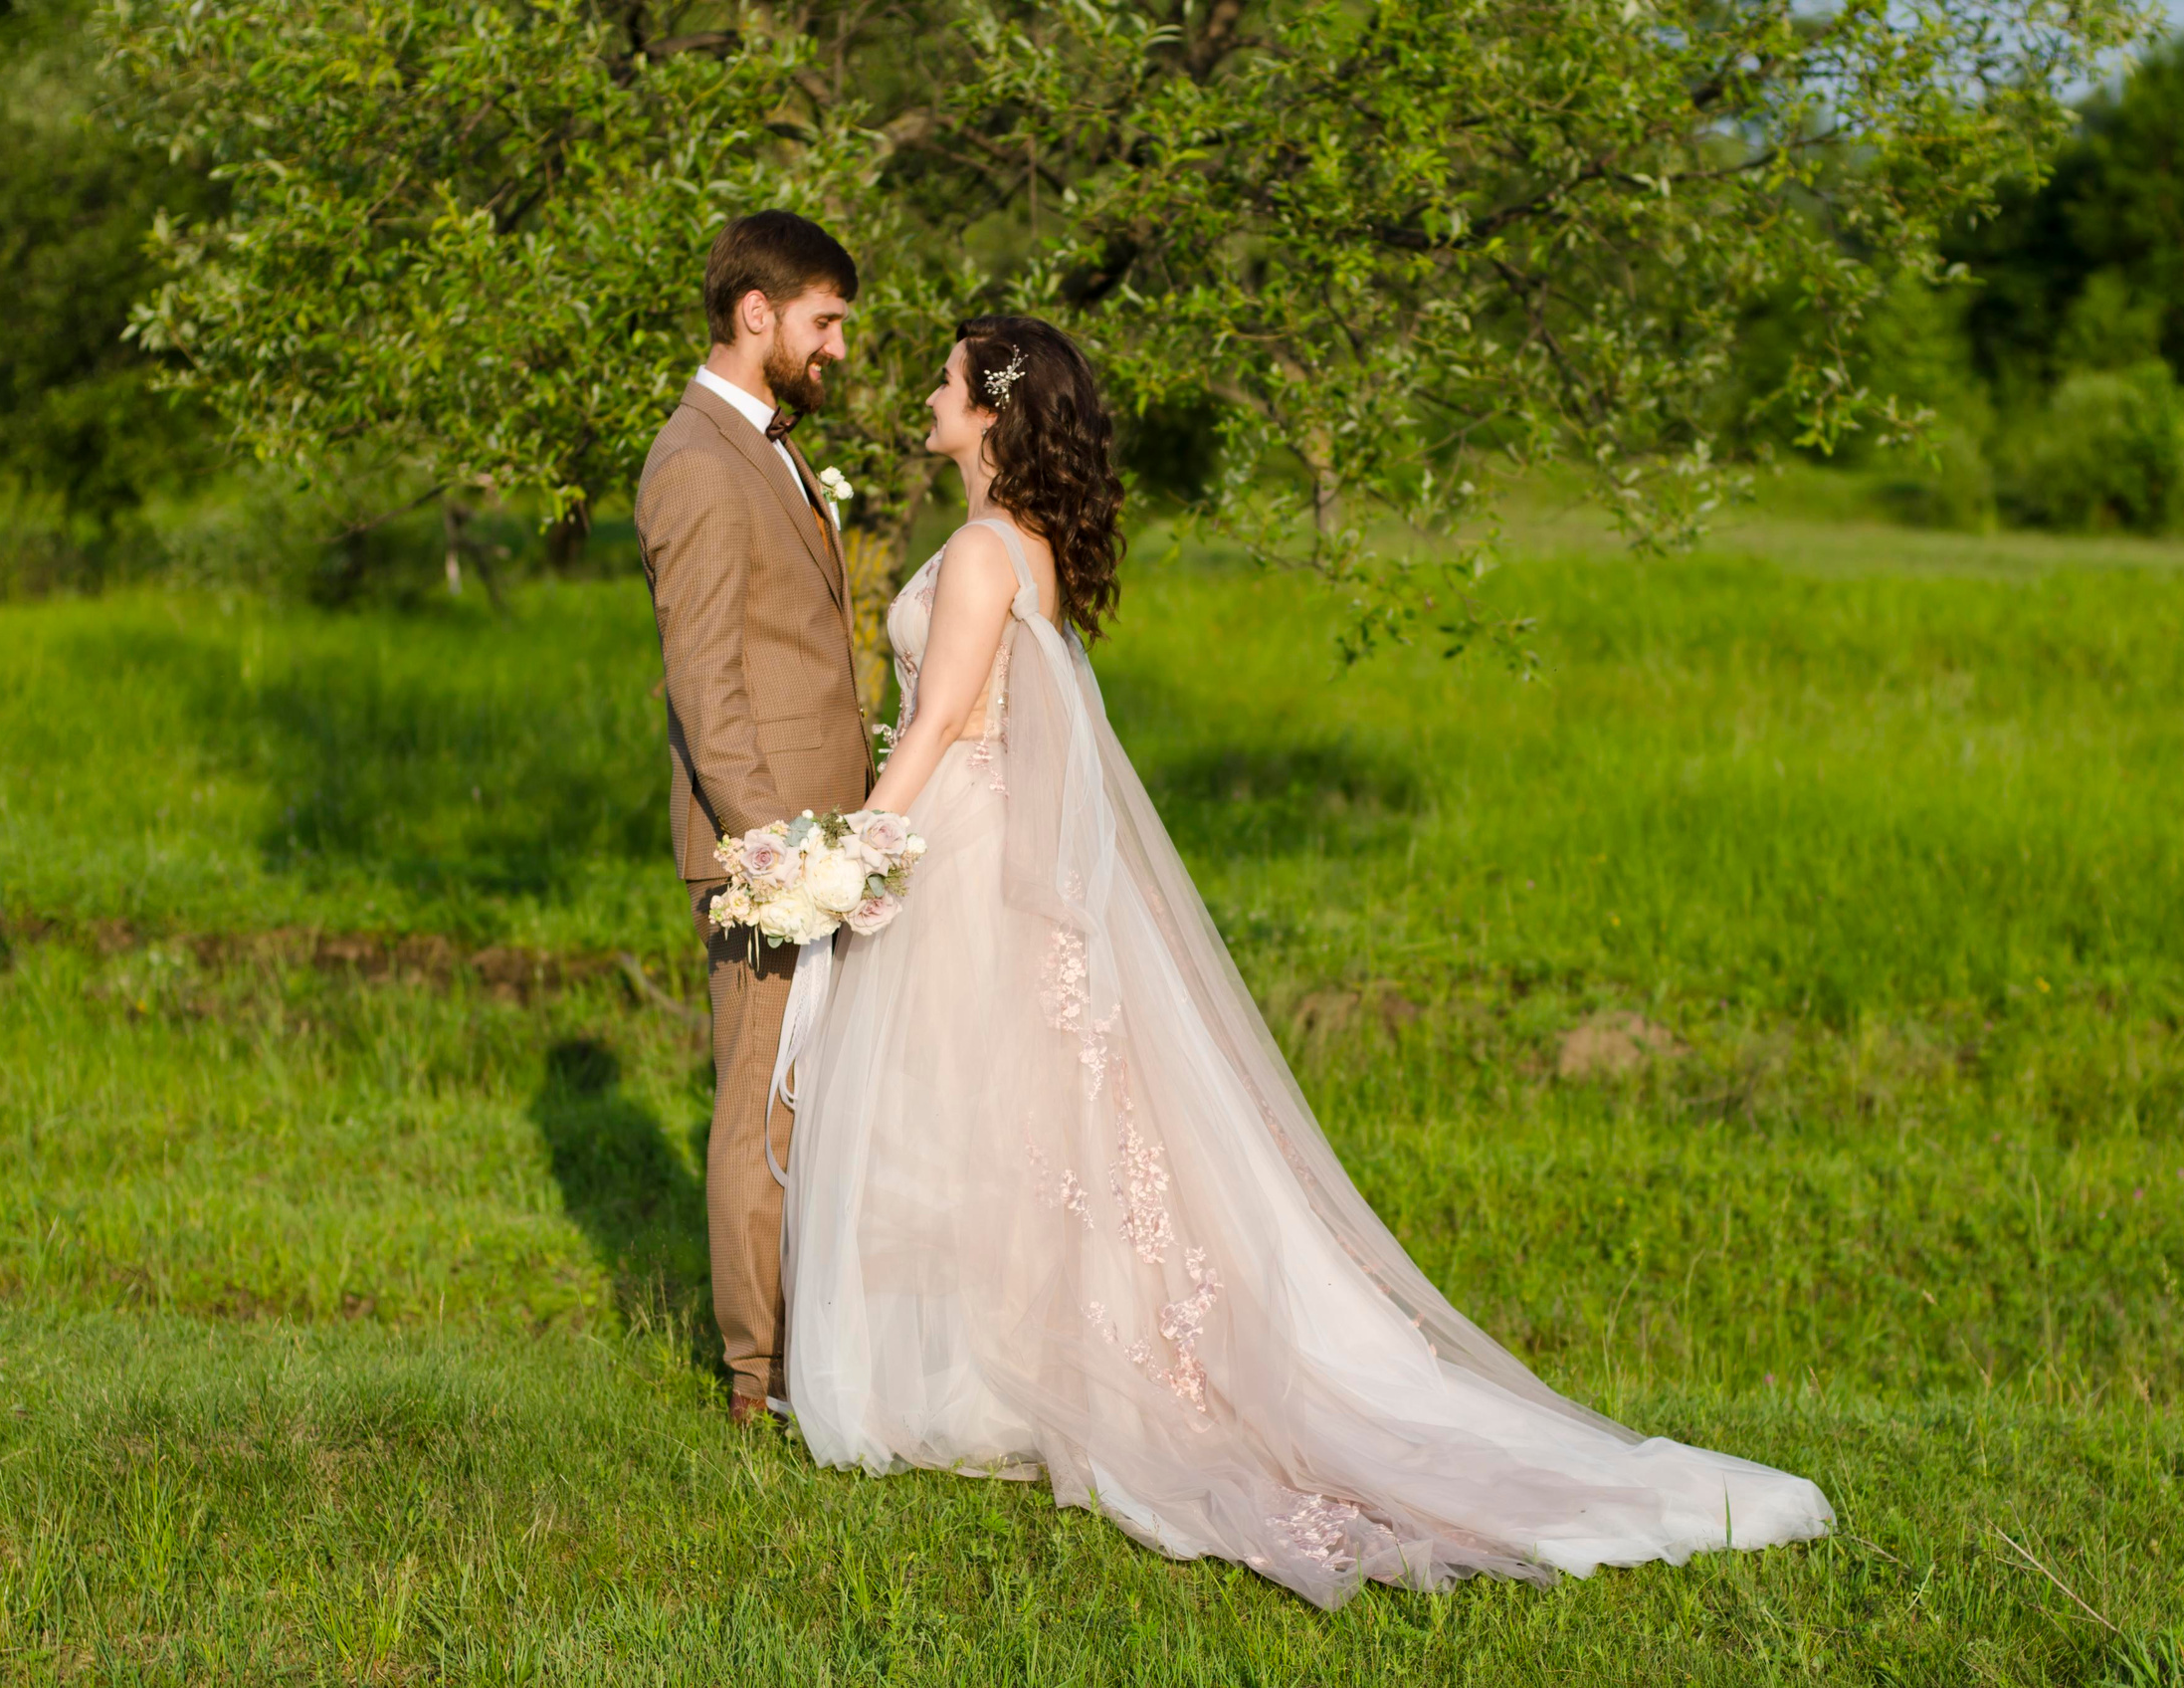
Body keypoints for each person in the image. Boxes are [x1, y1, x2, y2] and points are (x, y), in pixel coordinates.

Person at [775, 312, 1836, 1607]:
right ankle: (977, 1366)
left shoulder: (989, 550)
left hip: (954, 842)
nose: (925, 394)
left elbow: (939, 718)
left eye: (945, 379)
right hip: (993, 847)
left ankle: (961, 1375)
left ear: (989, 408)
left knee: (967, 1118)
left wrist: (856, 851)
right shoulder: (1032, 549)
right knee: (1005, 1124)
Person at [634, 211, 869, 1429]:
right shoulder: (697, 460)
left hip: (825, 843)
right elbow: (706, 682)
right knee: (760, 1109)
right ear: (757, 313)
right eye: (825, 323)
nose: (837, 349)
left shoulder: (768, 449)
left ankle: (813, 1346)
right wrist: (775, 853)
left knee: (815, 1103)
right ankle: (755, 1378)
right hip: (763, 854)